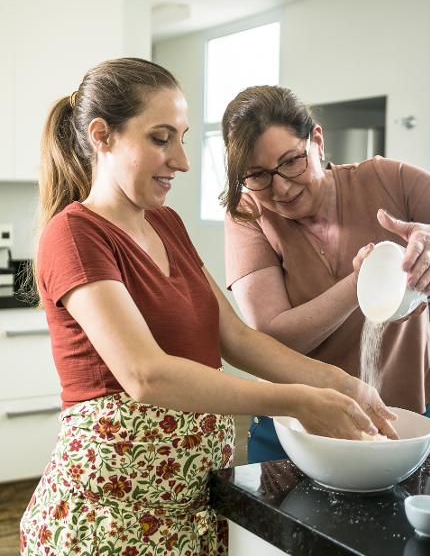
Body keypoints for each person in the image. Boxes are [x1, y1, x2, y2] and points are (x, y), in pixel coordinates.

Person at [19, 59, 396, 556]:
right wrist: (296, 401)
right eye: (160, 138)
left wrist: (338, 382)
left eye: (182, 137)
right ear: (102, 136)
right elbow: (145, 375)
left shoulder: (167, 224)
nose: (182, 160)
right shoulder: (75, 234)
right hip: (110, 518)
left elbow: (237, 339)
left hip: (190, 506)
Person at [222, 84, 430, 465]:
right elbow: (276, 335)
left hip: (397, 421)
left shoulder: (387, 179)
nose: (280, 188)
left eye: (292, 161)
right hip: (295, 425)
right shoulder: (248, 214)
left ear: (317, 141)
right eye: (257, 175)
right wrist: (358, 286)